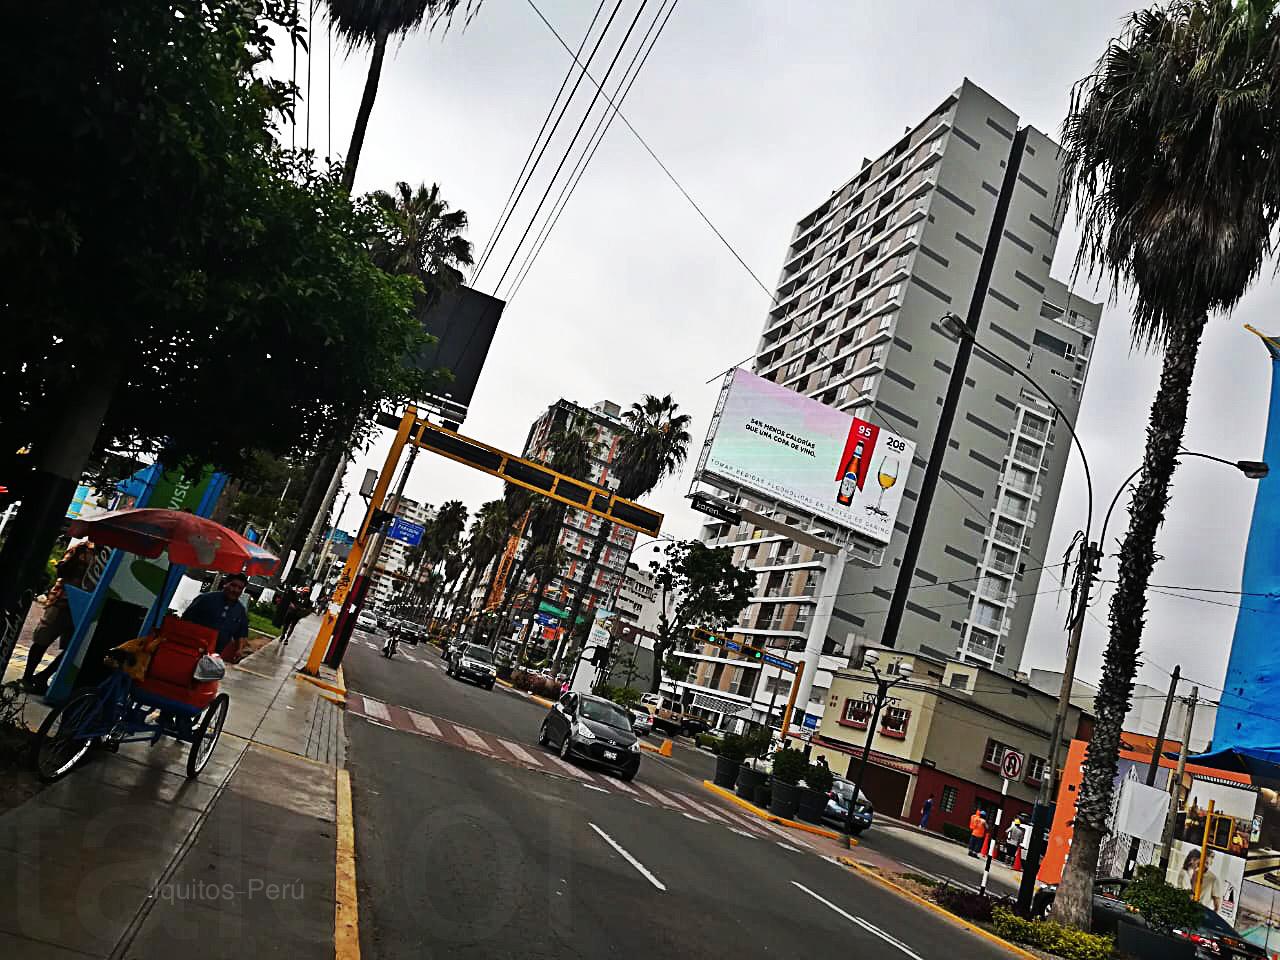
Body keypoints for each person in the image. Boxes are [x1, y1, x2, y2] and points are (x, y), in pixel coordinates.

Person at [22, 538, 96, 694]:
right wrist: (73, 562)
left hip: (85, 606)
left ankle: (43, 676)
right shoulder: (82, 549)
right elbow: (61, 570)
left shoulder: (107, 556)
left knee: (73, 647)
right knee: (42, 639)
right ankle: (27, 677)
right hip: (63, 601)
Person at [182, 572, 250, 659]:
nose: (235, 590)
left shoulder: (240, 610)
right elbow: (185, 620)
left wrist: (239, 650)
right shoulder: (205, 599)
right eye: (233, 585)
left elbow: (241, 634)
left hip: (214, 656)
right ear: (225, 584)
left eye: (240, 588)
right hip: (193, 649)